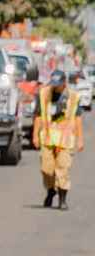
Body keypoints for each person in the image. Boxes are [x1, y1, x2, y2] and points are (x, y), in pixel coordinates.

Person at [36, 69, 83, 209]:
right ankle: (50, 191)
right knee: (46, 170)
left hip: (65, 140)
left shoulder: (73, 97)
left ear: (64, 83)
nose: (55, 87)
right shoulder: (44, 94)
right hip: (47, 138)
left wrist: (80, 140)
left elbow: (78, 119)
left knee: (62, 169)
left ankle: (62, 199)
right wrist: (35, 135)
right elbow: (38, 115)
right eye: (53, 84)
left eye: (58, 84)